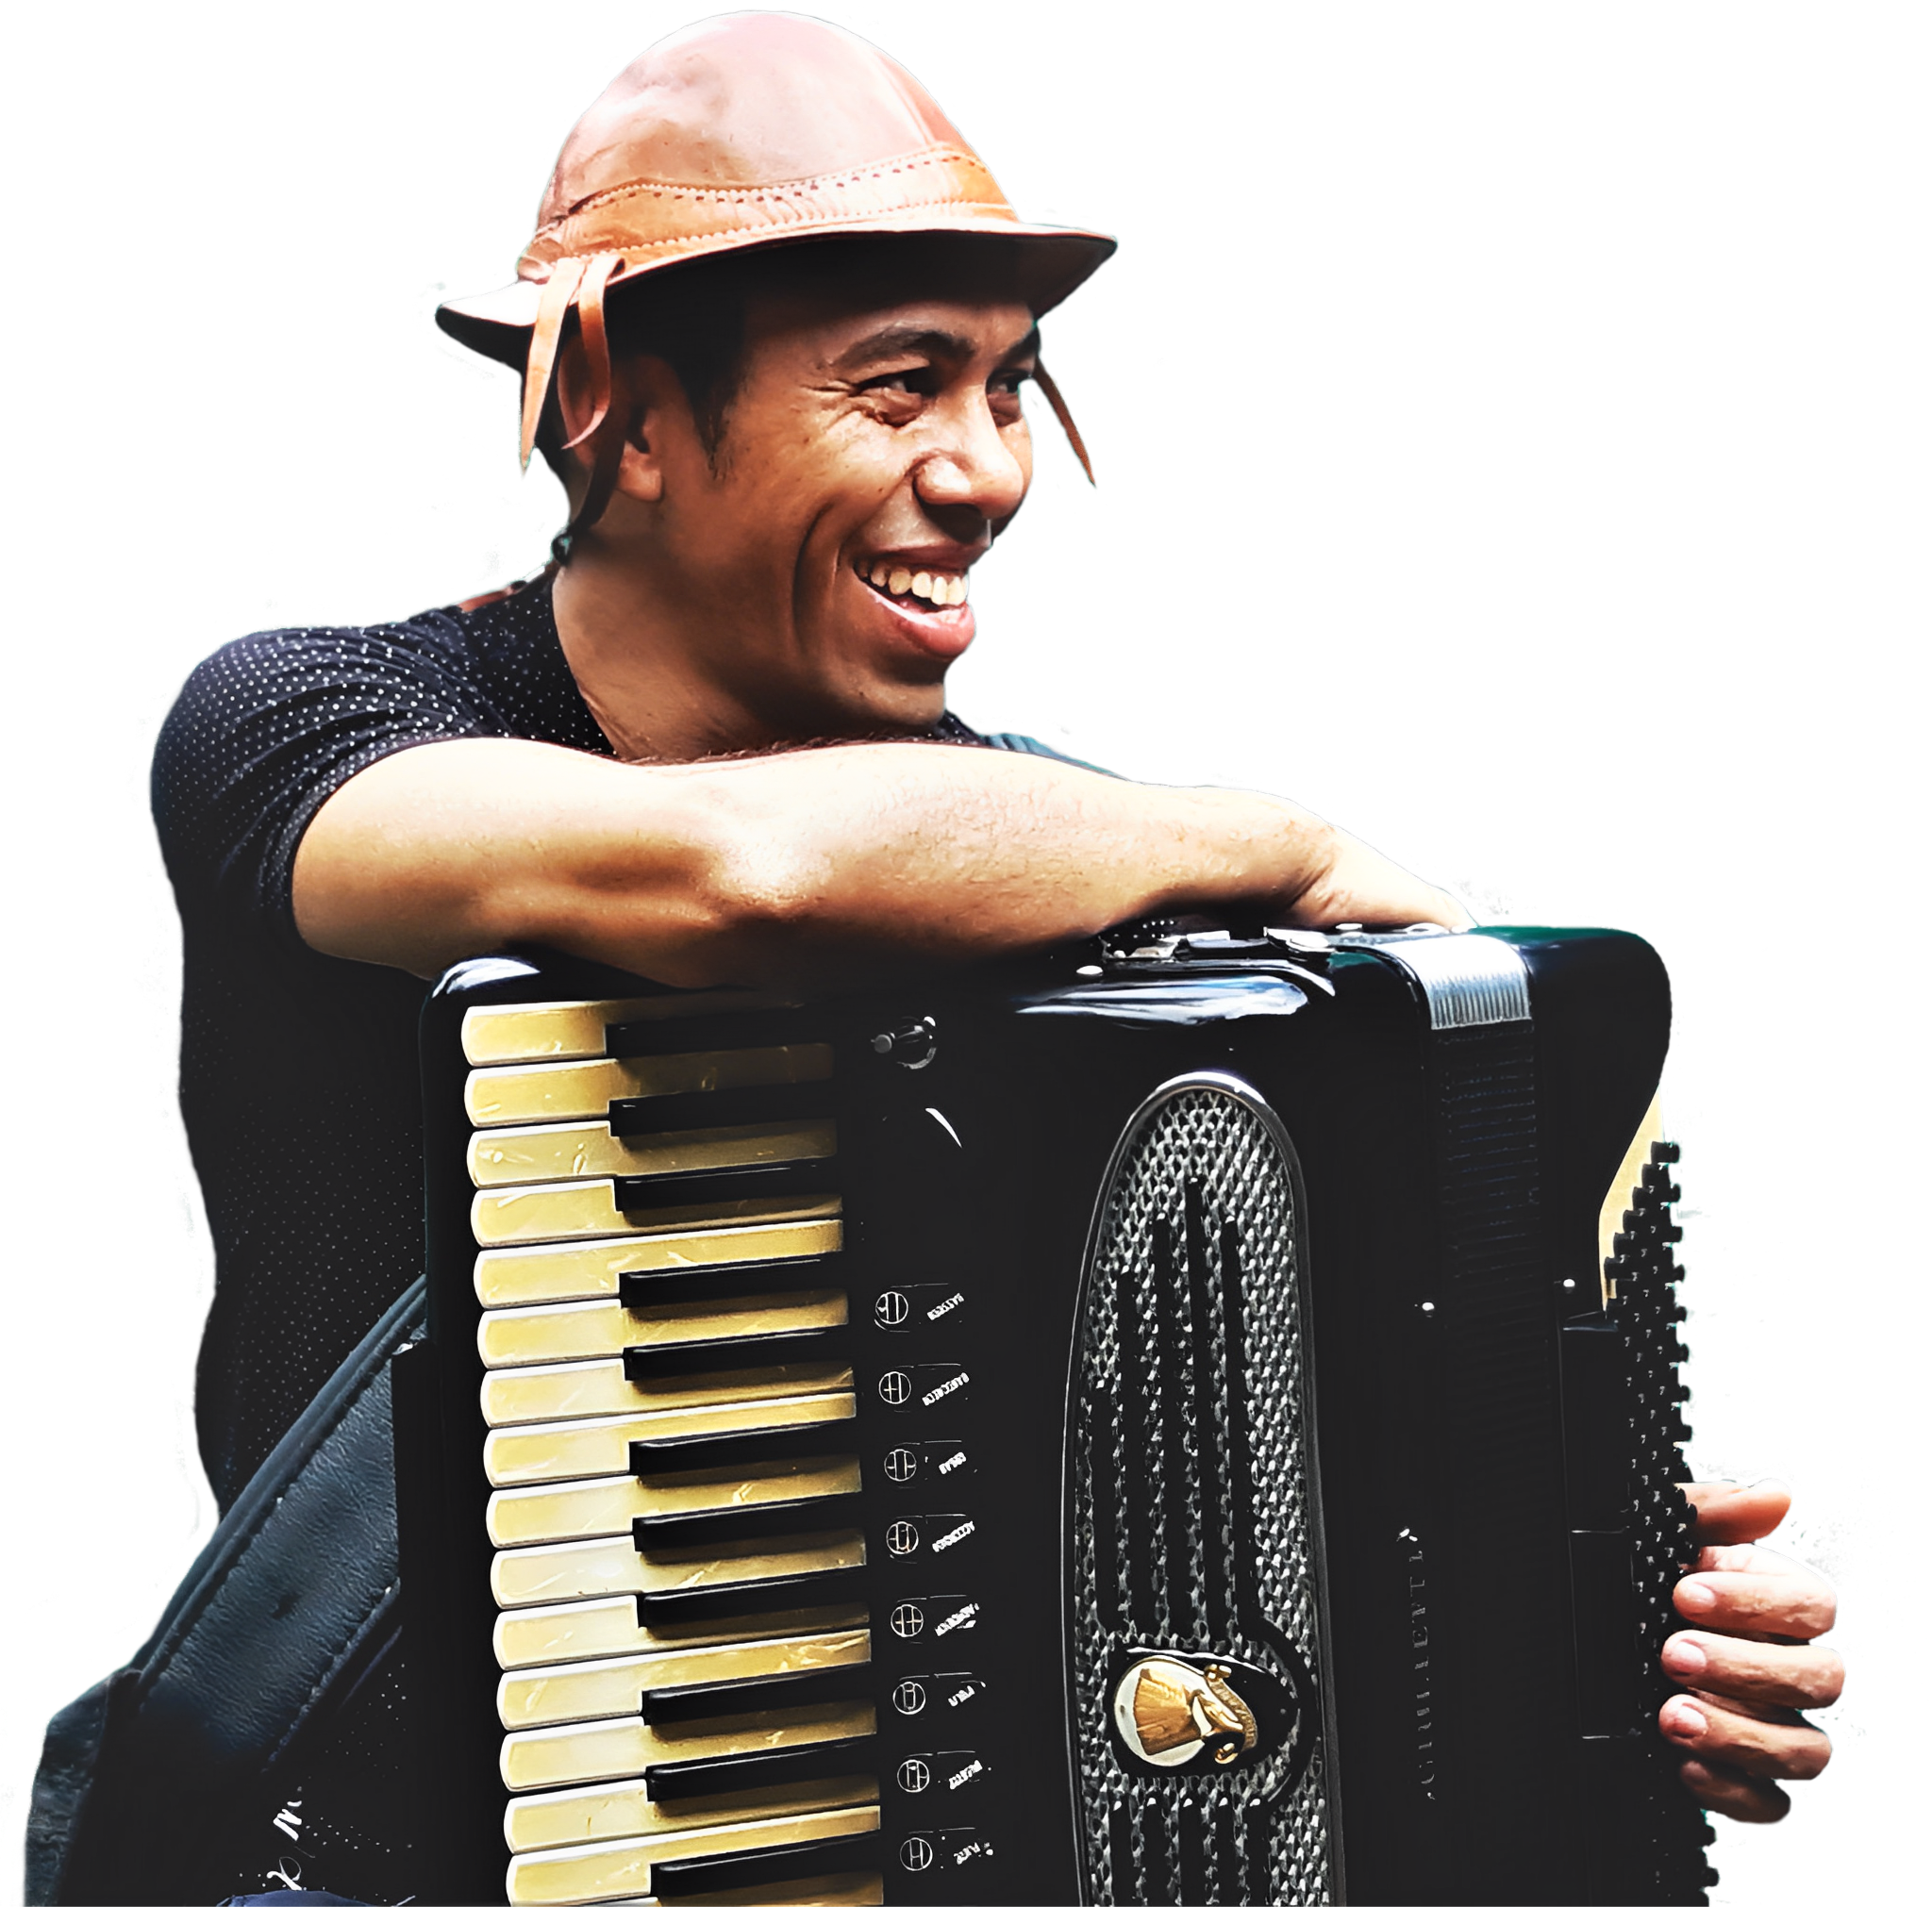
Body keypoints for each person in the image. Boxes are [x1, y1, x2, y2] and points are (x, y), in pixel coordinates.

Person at [50, 9, 1840, 1896]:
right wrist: (1288, 845)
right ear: (622, 415)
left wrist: (1602, 1624)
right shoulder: (303, 720)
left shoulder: (1059, 856)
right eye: (899, 386)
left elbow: (1326, 1452)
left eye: (1006, 391)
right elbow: (746, 878)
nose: (987, 470)